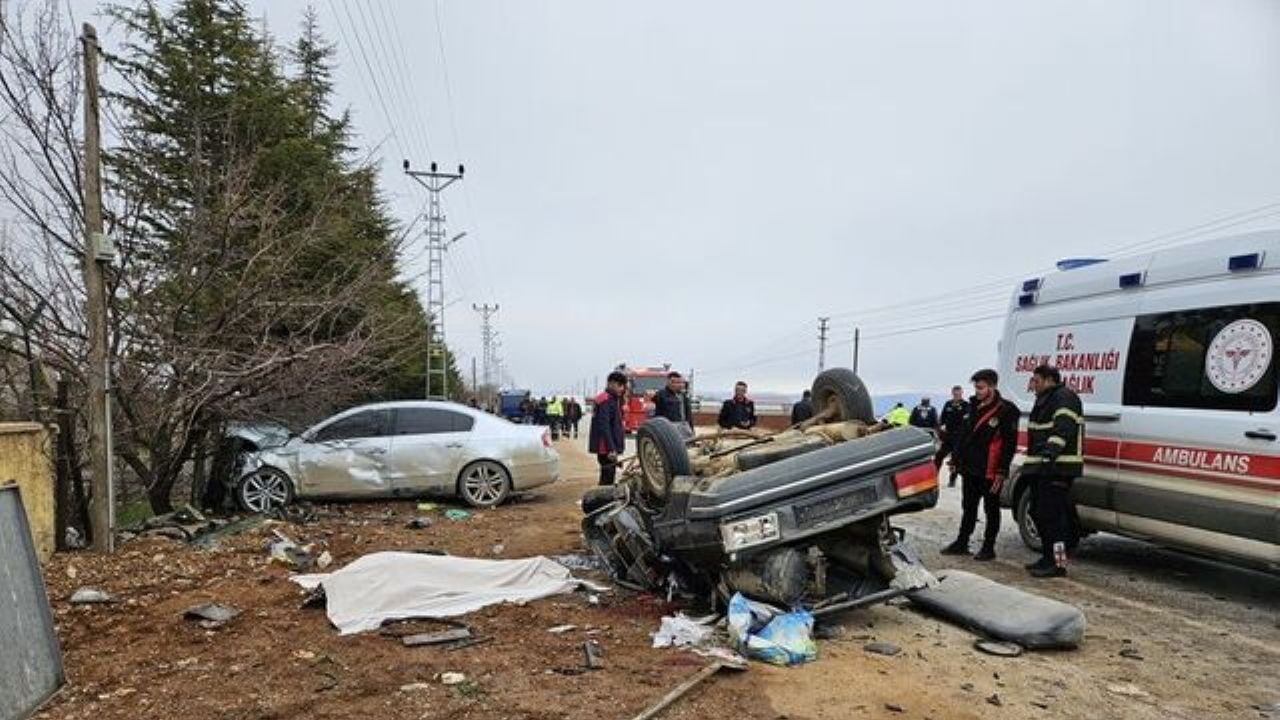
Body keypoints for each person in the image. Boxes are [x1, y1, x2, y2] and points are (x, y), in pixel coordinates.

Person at [941, 368, 1019, 561]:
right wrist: (955, 458)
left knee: (991, 508)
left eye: (981, 388)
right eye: (976, 388)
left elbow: (1009, 444)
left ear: (992, 386)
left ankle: (988, 546)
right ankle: (962, 541)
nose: (978, 391)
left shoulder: (1007, 410)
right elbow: (964, 435)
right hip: (970, 467)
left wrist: (1002, 470)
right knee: (968, 506)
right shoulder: (972, 406)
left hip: (990, 470)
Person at [1023, 364, 1084, 578]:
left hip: (1058, 467)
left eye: (1036, 381)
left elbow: (1063, 428)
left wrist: (1050, 454)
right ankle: (1047, 557)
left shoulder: (1064, 397)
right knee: (1039, 513)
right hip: (1042, 467)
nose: (1033, 385)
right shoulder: (1045, 399)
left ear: (1049, 379)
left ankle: (1057, 563)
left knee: (1053, 517)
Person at [588, 372, 628, 485]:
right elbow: (604, 426)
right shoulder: (605, 400)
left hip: (609, 446)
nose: (622, 389)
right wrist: (611, 449)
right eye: (620, 385)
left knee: (609, 475)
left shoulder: (614, 399)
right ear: (611, 383)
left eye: (623, 386)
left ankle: (603, 498)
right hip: (605, 447)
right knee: (607, 477)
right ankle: (601, 500)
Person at [935, 385, 969, 487]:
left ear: (961, 393)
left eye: (958, 394)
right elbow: (942, 419)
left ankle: (952, 480)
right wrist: (940, 430)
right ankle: (934, 477)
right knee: (938, 456)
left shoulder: (966, 405)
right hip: (948, 436)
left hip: (959, 437)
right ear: (952, 393)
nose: (956, 396)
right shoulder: (948, 404)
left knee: (955, 459)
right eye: (955, 394)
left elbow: (967, 421)